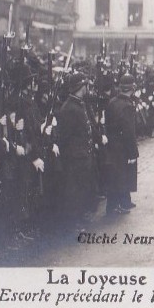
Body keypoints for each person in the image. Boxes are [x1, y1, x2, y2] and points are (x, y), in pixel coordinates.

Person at [55, 72, 97, 225]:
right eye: (86, 85)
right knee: (74, 190)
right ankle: (73, 221)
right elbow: (65, 136)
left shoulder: (78, 103)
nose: (88, 88)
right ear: (81, 87)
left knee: (82, 187)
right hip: (74, 157)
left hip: (82, 155)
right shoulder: (69, 108)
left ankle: (80, 216)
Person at [104, 74, 139, 214]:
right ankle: (119, 205)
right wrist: (132, 152)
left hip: (112, 144)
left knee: (115, 175)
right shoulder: (128, 106)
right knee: (123, 175)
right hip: (123, 146)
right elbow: (129, 131)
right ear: (132, 88)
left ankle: (121, 202)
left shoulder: (112, 102)